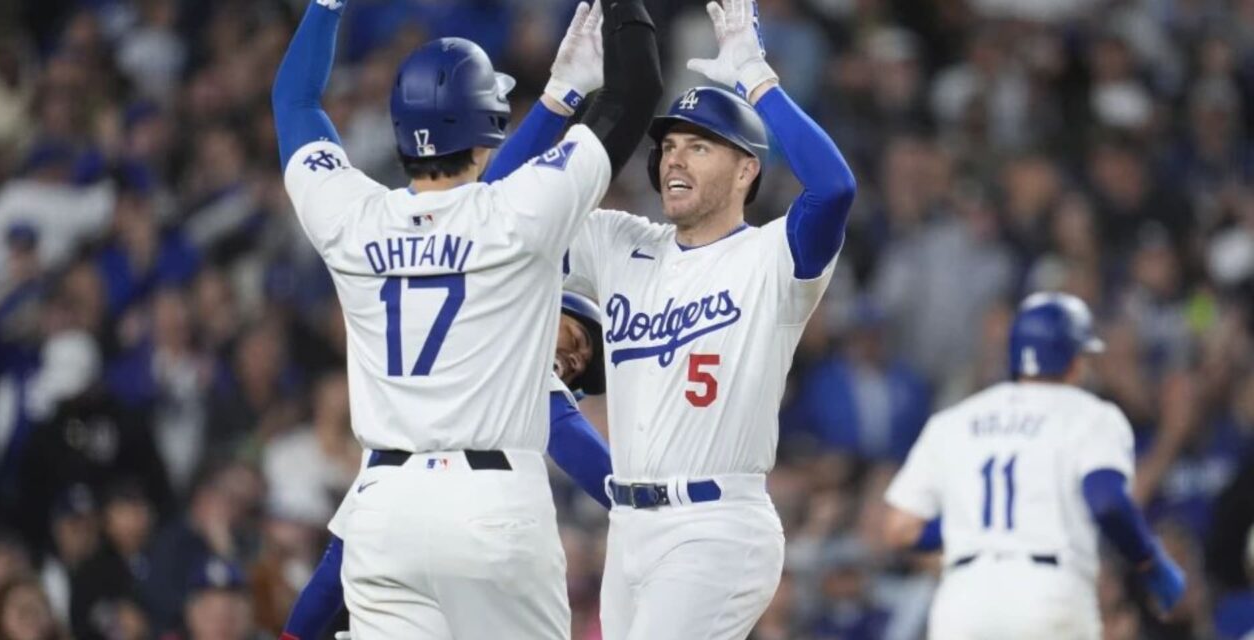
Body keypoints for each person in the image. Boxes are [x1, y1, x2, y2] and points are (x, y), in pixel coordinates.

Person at [271, 0, 661, 633]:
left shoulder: (351, 215)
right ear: (488, 130)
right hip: (491, 502)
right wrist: (620, 15)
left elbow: (294, 102)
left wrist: (325, 6)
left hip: (383, 507)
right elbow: (636, 91)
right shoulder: (517, 214)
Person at [557, 0, 856, 637]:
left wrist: (756, 76)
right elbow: (503, 222)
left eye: (699, 146)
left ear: (748, 168)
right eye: (668, 146)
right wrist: (562, 101)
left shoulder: (771, 256)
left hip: (716, 525)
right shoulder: (618, 242)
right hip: (629, 526)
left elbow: (834, 189)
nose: (674, 159)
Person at [278, 294, 615, 640]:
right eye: (575, 338)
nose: (575, 360)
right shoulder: (510, 354)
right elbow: (565, 432)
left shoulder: (416, 404)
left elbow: (342, 554)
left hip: (386, 515)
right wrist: (644, 507)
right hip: (487, 524)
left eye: (580, 368)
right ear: (540, 311)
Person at [881, 292, 1187, 639]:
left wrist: (977, 531)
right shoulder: (1091, 415)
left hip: (963, 600)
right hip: (1048, 594)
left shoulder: (953, 421)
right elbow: (1107, 501)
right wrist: (1150, 561)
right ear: (1074, 361)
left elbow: (899, 529)